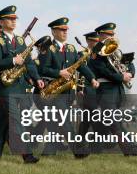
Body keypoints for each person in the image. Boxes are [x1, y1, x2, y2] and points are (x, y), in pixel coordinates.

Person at [0, 6, 45, 164]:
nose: (13, 21)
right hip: (3, 88)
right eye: (10, 19)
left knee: (1, 122)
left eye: (14, 19)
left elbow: (29, 62)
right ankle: (27, 154)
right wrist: (12, 61)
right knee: (14, 120)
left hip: (18, 86)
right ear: (1, 21)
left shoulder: (20, 40)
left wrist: (36, 77)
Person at [37, 17, 99, 158]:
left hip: (68, 91)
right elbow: (42, 69)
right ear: (53, 31)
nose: (65, 32)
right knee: (65, 121)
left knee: (55, 123)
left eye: (66, 30)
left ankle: (48, 152)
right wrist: (59, 72)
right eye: (62, 30)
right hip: (54, 91)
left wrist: (92, 78)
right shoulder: (48, 48)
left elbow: (81, 65)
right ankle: (78, 150)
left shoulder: (71, 48)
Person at [88, 23, 137, 156]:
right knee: (113, 120)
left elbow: (128, 63)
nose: (113, 36)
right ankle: (129, 148)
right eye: (109, 34)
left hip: (117, 90)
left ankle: (94, 147)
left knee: (105, 122)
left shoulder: (115, 48)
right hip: (105, 89)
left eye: (113, 34)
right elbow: (102, 70)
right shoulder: (96, 51)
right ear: (101, 35)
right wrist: (121, 77)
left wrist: (130, 74)